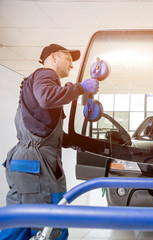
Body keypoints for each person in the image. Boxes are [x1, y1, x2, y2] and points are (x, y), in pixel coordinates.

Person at [0, 44, 99, 240]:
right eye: (68, 59)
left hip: (21, 162)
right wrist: (81, 88)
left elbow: (43, 129)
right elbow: (46, 98)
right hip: (37, 164)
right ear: (53, 57)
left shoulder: (32, 82)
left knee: (16, 223)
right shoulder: (46, 75)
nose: (71, 65)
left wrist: (79, 142)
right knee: (50, 225)